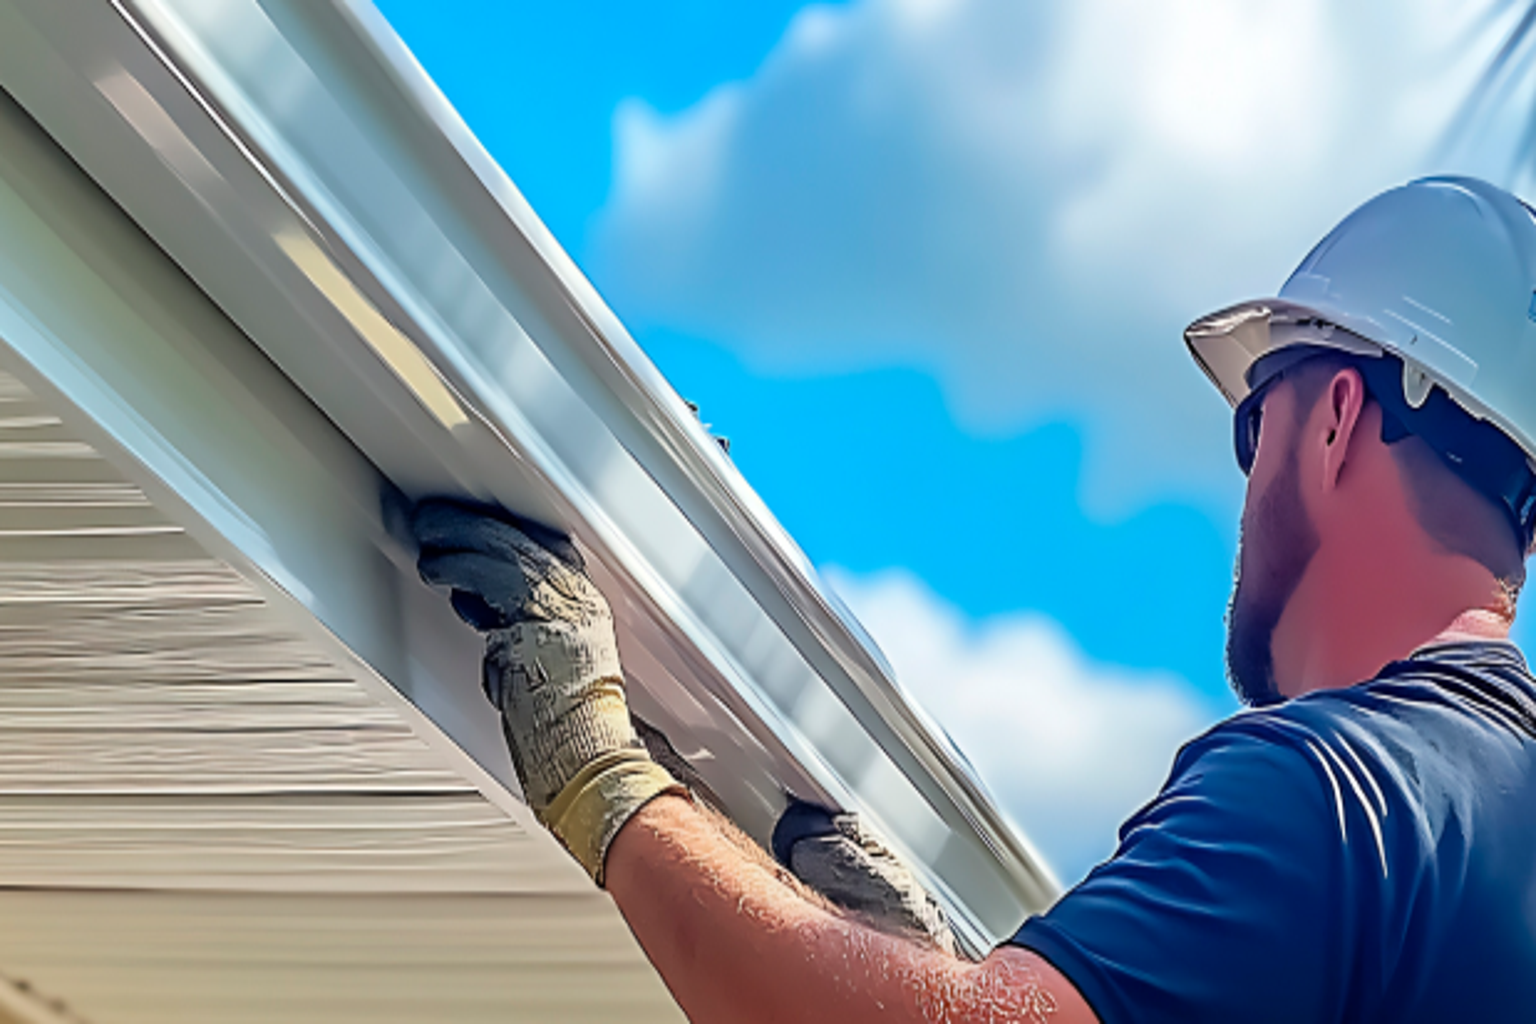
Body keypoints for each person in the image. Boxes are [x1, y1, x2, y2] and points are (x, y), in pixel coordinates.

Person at [411, 175, 1536, 1022]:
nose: (1244, 484)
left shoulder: (1340, 794)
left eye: (1256, 423)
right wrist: (932, 957)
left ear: (1338, 418)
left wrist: (608, 784)